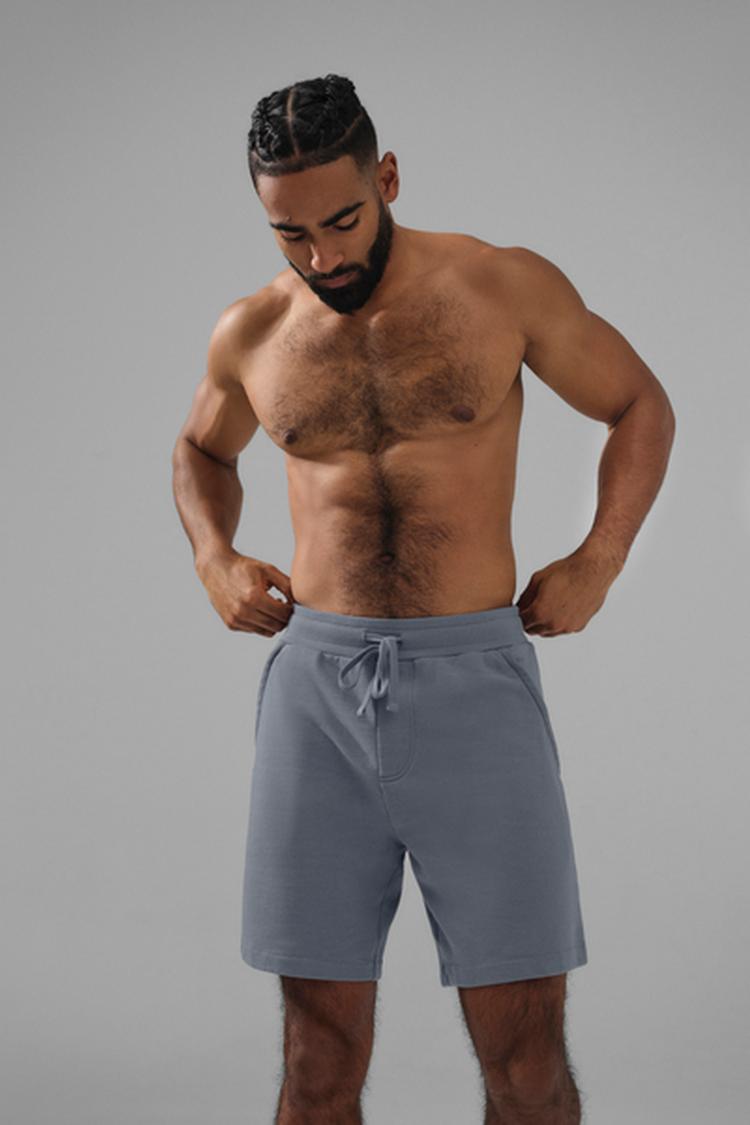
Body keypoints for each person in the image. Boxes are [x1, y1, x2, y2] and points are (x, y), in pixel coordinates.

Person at [171, 72, 675, 1125]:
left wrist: (601, 557)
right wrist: (215, 556)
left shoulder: (500, 286)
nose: (322, 257)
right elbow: (200, 450)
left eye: (343, 221)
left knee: (525, 1060)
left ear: (388, 177)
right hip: (316, 691)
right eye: (290, 233)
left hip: (474, 682)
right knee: (316, 1062)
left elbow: (638, 402)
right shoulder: (251, 331)